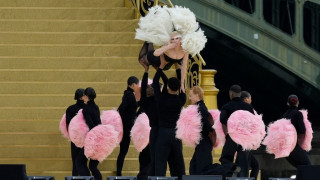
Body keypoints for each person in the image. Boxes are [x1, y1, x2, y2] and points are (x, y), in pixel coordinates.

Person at [189, 86, 239, 177]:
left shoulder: (200, 107)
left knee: (205, 168)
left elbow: (205, 122)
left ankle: (230, 169)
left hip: (204, 141)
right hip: (203, 141)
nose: (189, 98)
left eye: (191, 95)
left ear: (197, 95)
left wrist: (210, 130)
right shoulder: (200, 107)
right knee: (194, 167)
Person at [153, 57, 186, 180]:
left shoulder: (161, 99)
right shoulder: (181, 100)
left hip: (163, 133)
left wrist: (161, 67)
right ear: (179, 88)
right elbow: (182, 82)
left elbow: (155, 83)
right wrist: (177, 66)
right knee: (177, 163)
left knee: (160, 163)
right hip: (176, 134)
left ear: (167, 88)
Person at [219, 85, 254, 177]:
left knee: (225, 159)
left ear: (231, 94)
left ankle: (233, 168)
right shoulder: (248, 107)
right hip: (245, 138)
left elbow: (222, 119)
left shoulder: (227, 106)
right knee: (243, 162)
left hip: (232, 137)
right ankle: (243, 177)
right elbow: (254, 122)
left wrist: (232, 124)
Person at [75, 87, 102, 180]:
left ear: (86, 96)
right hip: (100, 138)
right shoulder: (96, 107)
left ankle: (87, 179)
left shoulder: (85, 109)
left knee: (79, 162)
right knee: (93, 167)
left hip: (92, 139)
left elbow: (91, 126)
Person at [117, 76, 140, 176]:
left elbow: (131, 106)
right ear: (133, 85)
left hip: (128, 126)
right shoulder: (129, 95)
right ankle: (118, 173)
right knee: (123, 151)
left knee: (123, 151)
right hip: (127, 127)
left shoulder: (128, 94)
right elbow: (121, 108)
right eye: (137, 85)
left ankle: (119, 172)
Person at [282, 95, 311, 168]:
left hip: (285, 149)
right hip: (294, 146)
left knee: (300, 167)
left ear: (288, 103)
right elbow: (302, 130)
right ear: (298, 102)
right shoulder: (298, 114)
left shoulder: (284, 115)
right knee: (308, 166)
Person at [65, 88, 85, 176]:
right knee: (83, 163)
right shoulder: (87, 108)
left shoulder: (70, 109)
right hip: (85, 138)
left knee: (75, 163)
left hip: (74, 139)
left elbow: (68, 125)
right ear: (81, 97)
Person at [240, 91, 260, 179]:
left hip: (242, 142)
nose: (251, 100)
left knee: (254, 165)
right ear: (246, 99)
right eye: (250, 98)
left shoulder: (238, 109)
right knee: (246, 166)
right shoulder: (248, 108)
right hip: (244, 143)